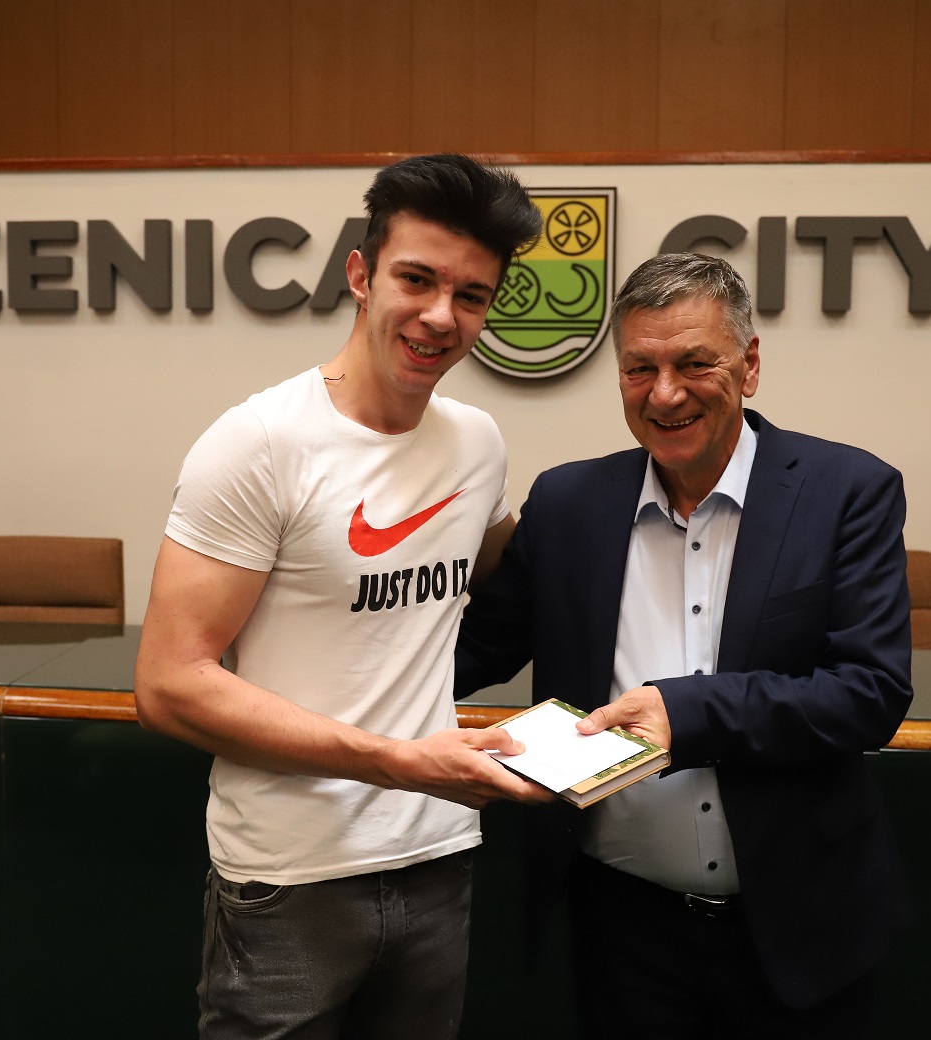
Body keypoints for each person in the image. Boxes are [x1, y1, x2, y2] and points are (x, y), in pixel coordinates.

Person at [133, 154, 552, 1040]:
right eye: (417, 279)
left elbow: (507, 588)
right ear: (361, 275)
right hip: (290, 879)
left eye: (471, 295)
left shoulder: (477, 445)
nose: (440, 316)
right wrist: (395, 760)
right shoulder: (259, 444)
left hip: (437, 858)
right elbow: (169, 685)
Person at [456, 252, 913, 1038]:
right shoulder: (567, 503)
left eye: (695, 363)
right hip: (622, 929)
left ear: (750, 365)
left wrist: (688, 713)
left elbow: (870, 692)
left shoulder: (846, 491)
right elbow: (470, 650)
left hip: (799, 928)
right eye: (640, 368)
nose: (664, 393)